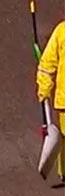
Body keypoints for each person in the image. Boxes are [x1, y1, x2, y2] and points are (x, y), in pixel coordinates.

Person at [36, 18, 65, 182]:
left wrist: (44, 88)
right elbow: (47, 66)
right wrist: (44, 89)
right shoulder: (61, 32)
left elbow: (46, 66)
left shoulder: (61, 31)